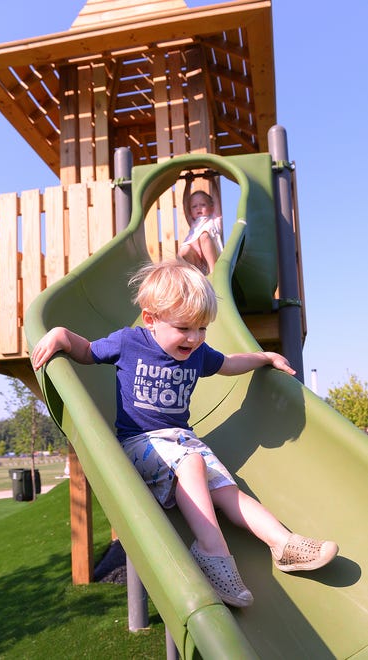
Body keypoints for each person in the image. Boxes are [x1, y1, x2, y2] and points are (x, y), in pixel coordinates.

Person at [31, 259, 338, 608]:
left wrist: (263, 356)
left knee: (227, 491)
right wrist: (60, 335)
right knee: (192, 461)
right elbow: (86, 351)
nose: (194, 338)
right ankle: (211, 552)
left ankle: (283, 544)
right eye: (184, 328)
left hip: (182, 440)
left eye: (202, 328)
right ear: (151, 319)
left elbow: (228, 364)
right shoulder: (129, 342)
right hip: (139, 444)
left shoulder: (197, 354)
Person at [178, 172, 223, 274]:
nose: (198, 208)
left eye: (202, 204)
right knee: (183, 250)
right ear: (191, 210)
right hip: (198, 260)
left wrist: (213, 181)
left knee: (204, 236)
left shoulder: (214, 219)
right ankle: (194, 274)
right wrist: (188, 183)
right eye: (194, 206)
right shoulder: (194, 223)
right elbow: (186, 204)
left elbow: (216, 199)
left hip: (212, 257)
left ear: (211, 207)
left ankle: (213, 271)